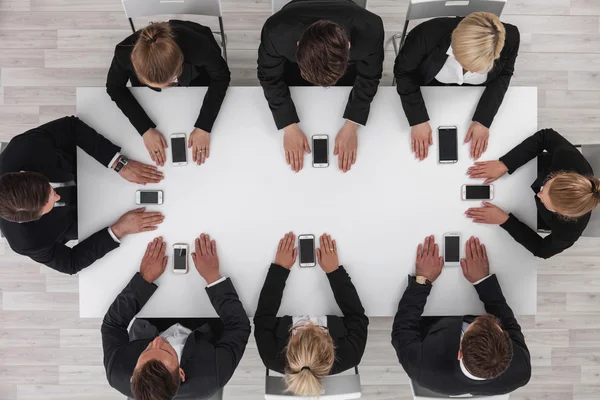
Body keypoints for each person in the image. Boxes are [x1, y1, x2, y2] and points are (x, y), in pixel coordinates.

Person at [0, 116, 164, 275]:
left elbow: (71, 126)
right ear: (33, 219)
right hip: (82, 220)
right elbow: (72, 263)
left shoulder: (23, 147)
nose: (57, 197)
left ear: (24, 173)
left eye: (51, 190)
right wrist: (119, 229)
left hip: (84, 165)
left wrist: (118, 163)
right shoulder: (26, 241)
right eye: (49, 203)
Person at [101, 234, 251, 400]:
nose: (157, 342)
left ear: (132, 374)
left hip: (152, 319)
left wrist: (144, 278)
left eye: (147, 350)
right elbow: (239, 326)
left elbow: (113, 324)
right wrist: (213, 277)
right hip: (205, 320)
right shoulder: (213, 374)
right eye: (165, 350)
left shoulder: (117, 370)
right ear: (181, 373)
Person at [392, 235, 531, 396]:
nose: (485, 317)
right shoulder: (521, 369)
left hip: (431, 323)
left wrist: (422, 281)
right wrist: (483, 281)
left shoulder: (421, 367)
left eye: (475, 325)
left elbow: (402, 328)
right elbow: (510, 324)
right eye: (498, 328)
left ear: (460, 353)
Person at [257, 0, 384, 173]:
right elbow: (269, 76)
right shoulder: (276, 31)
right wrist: (288, 125)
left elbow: (370, 75)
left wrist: (352, 125)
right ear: (298, 46)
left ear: (348, 47)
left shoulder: (371, 29)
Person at [254, 232, 368, 397]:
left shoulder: (270, 356)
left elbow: (263, 317)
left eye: (300, 328)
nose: (309, 321)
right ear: (331, 345)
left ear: (288, 346)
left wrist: (279, 269)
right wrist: (334, 272)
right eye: (319, 329)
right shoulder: (351, 355)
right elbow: (357, 316)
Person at [394, 12, 520, 161]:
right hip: (430, 86)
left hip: (472, 97)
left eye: (478, 68)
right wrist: (417, 119)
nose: (472, 72)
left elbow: (504, 74)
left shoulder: (511, 37)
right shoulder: (426, 34)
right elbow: (403, 72)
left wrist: (483, 119)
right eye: (465, 64)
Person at [107, 20, 231, 167]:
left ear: (180, 65)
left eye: (169, 83)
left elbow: (221, 76)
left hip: (198, 76)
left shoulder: (199, 47)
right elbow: (114, 87)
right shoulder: (123, 52)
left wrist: (204, 125)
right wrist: (144, 129)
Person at [466, 129, 598, 259]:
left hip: (533, 215)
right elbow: (546, 136)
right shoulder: (571, 160)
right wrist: (505, 164)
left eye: (547, 204)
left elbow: (542, 250)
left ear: (563, 215)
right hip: (534, 168)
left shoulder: (569, 232)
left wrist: (505, 221)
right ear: (560, 175)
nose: (539, 195)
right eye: (547, 186)